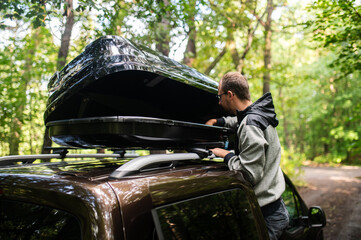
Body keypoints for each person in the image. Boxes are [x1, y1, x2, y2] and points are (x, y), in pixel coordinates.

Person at [206, 72, 289, 240]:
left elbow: (249, 175)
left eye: (220, 96)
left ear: (230, 94)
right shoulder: (257, 114)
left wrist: (225, 155)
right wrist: (218, 121)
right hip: (275, 208)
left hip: (267, 217)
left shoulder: (250, 125)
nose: (219, 102)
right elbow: (239, 120)